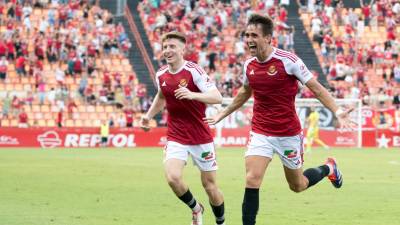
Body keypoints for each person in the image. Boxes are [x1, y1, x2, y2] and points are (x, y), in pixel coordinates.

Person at [204, 14, 356, 225]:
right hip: (260, 132)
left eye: (254, 35)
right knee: (252, 178)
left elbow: (317, 89)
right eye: (247, 35)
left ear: (268, 38)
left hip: (288, 134)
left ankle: (328, 168)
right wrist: (222, 113)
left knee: (298, 185)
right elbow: (244, 93)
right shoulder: (249, 65)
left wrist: (337, 111)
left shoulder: (289, 61)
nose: (249, 39)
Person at [140, 31, 226, 225]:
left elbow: (217, 97)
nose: (167, 50)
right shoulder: (161, 74)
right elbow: (162, 96)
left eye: (172, 46)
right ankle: (196, 209)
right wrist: (148, 116)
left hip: (200, 137)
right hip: (176, 136)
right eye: (165, 47)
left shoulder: (193, 71)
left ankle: (221, 221)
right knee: (172, 177)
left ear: (182, 49)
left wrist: (193, 95)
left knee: (210, 187)